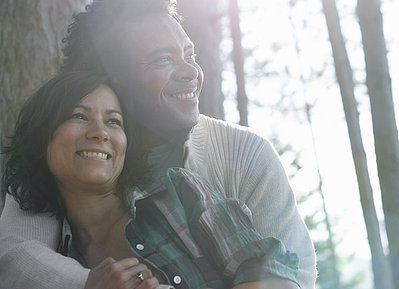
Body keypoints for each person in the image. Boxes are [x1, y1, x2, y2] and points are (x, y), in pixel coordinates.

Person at [0, 0, 316, 288]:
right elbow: (17, 257)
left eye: (189, 56)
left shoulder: (240, 156)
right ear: (108, 81)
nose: (191, 72)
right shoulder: (61, 161)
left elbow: (288, 274)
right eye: (163, 59)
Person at [3, 71, 300, 289]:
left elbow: (269, 270)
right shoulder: (50, 259)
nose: (100, 132)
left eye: (113, 121)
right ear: (41, 141)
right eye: (79, 116)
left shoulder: (179, 192)